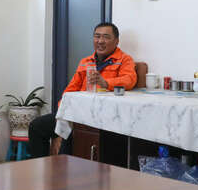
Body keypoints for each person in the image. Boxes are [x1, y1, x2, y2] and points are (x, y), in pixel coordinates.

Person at [28, 22, 137, 157]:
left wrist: (106, 83)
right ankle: (42, 165)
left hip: (102, 116)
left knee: (70, 135)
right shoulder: (86, 61)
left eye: (106, 37)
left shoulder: (124, 60)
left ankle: (64, 167)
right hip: (76, 112)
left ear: (116, 41)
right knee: (37, 126)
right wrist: (61, 113)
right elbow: (70, 90)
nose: (100, 41)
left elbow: (129, 80)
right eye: (97, 36)